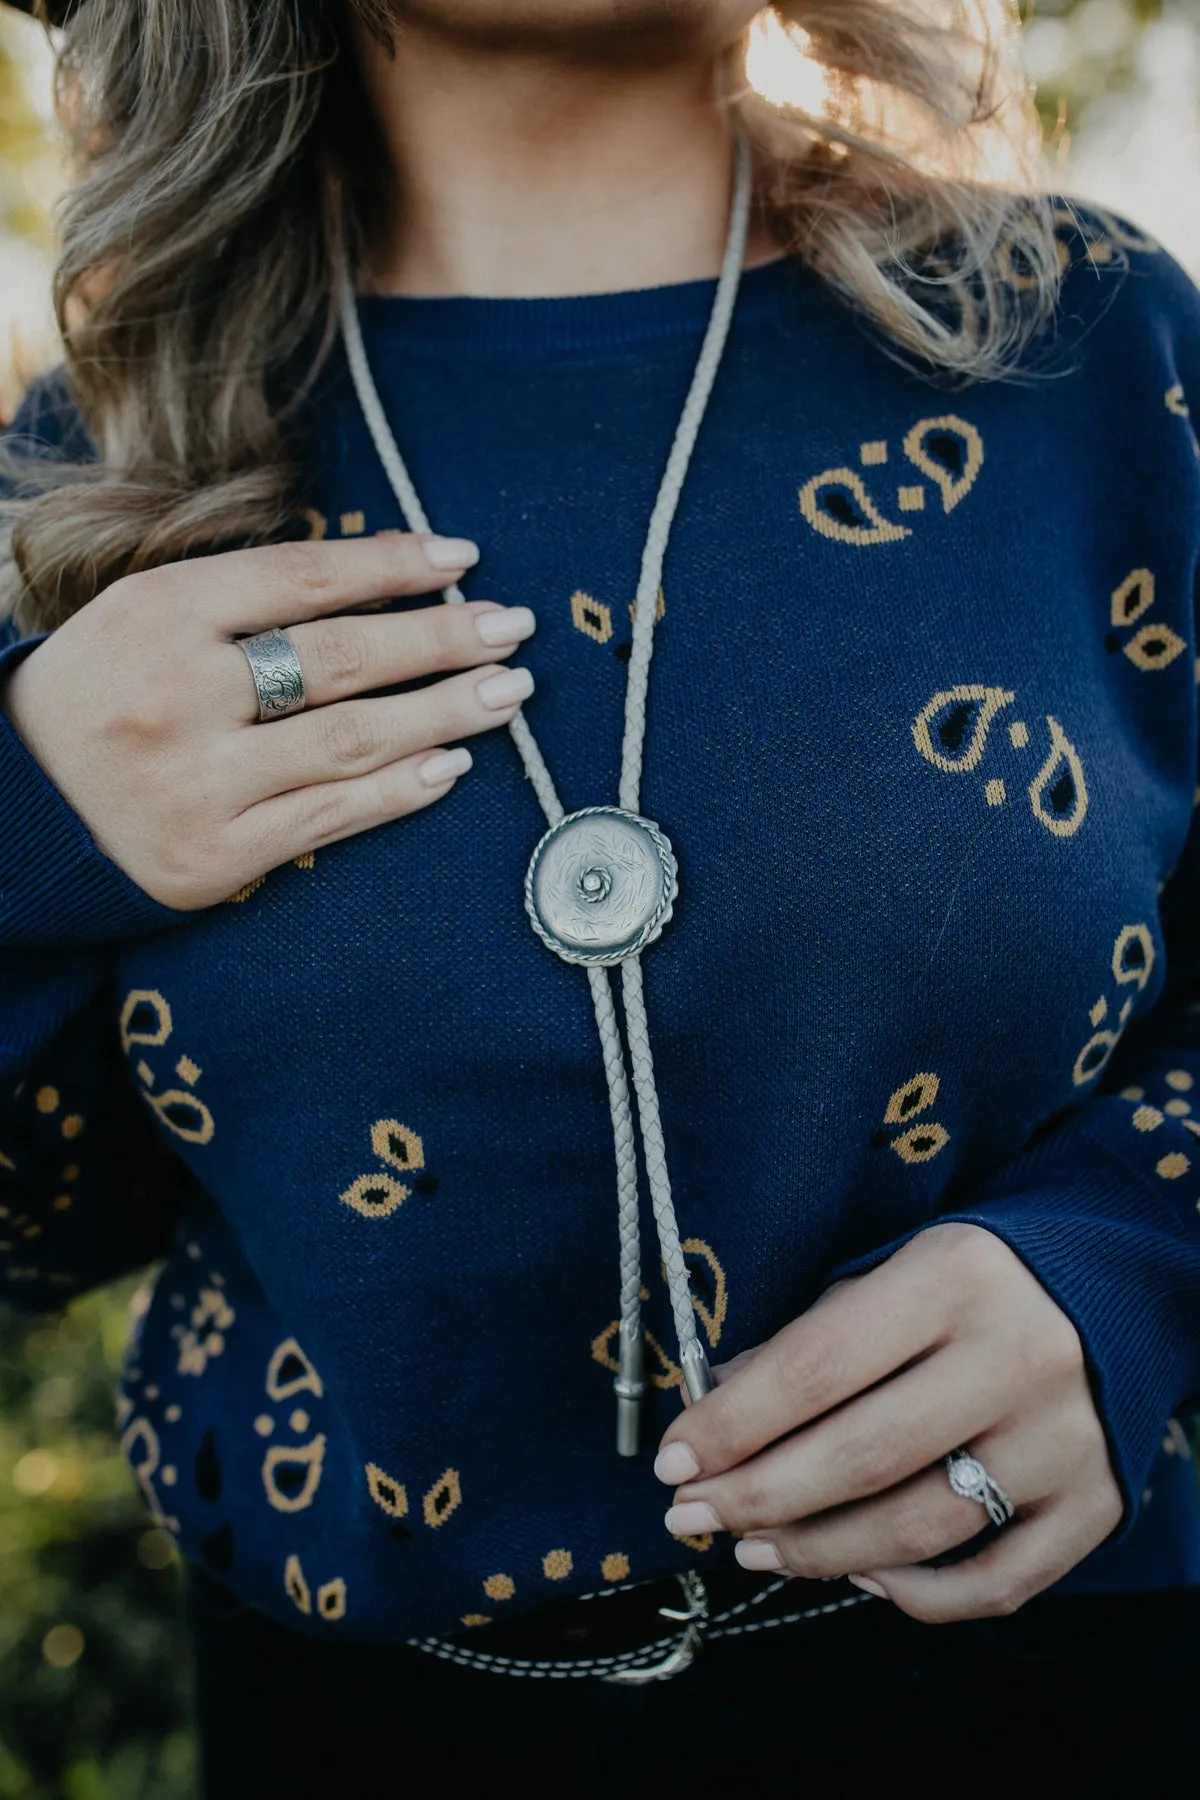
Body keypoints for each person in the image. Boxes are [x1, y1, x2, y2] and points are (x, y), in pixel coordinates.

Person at [2, 0, 1200, 1790]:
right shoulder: (105, 463)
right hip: (359, 1734)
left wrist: (1144, 1263)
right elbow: (35, 1224)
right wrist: (24, 821)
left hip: (1075, 1689)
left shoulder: (1093, 346)